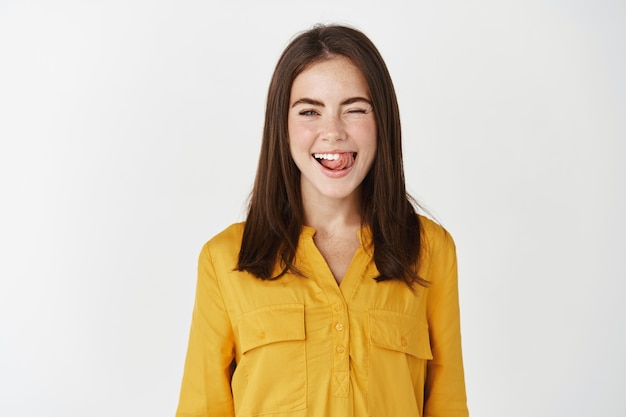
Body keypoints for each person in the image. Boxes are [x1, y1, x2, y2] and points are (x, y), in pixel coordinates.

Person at [175, 23, 468, 417]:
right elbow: (202, 409)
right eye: (310, 111)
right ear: (282, 126)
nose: (332, 132)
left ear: (382, 121)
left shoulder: (430, 249)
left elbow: (448, 405)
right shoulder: (225, 259)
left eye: (355, 109)